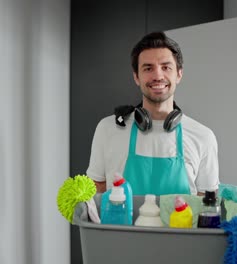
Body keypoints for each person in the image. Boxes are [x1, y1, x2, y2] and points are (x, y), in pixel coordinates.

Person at [86, 31, 219, 196]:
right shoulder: (108, 129)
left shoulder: (203, 136)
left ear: (179, 74)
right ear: (136, 77)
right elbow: (96, 189)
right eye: (148, 68)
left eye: (166, 67)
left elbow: (206, 205)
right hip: (117, 223)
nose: (157, 75)